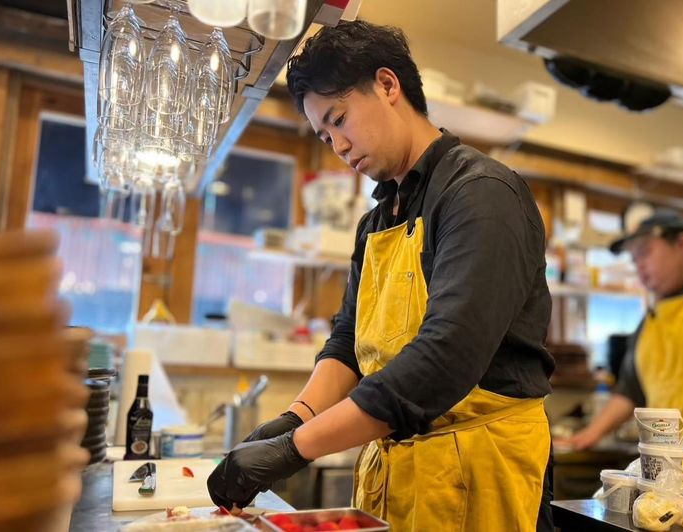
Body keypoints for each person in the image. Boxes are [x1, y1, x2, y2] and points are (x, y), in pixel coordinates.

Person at [207, 20, 556, 531]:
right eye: (325, 135)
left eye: (340, 119)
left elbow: (445, 358)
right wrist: (296, 417)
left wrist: (295, 448)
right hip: (396, 475)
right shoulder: (376, 222)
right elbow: (349, 342)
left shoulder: (480, 194)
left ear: (388, 85)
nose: (338, 145)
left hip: (480, 472)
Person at [565, 210, 683, 450]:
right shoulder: (647, 324)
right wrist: (589, 435)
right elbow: (630, 391)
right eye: (634, 259)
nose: (638, 266)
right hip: (666, 462)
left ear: (682, 244)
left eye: (644, 253)